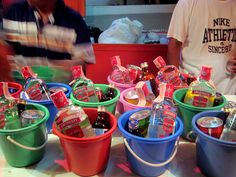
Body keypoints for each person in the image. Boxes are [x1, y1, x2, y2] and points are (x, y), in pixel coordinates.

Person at [2, 0, 95, 82]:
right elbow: (4, 51)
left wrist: (60, 69)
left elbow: (83, 61)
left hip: (59, 91)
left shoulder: (74, 19)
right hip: (21, 91)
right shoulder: (13, 12)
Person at [167, 0, 236, 95]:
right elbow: (174, 44)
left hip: (230, 92)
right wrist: (176, 85)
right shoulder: (188, 2)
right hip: (193, 91)